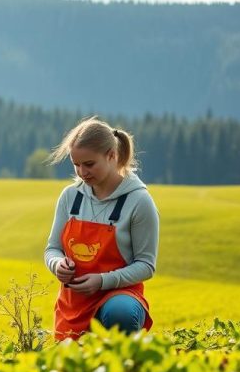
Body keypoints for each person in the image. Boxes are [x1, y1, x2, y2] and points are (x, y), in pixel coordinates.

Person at [44, 116, 159, 339]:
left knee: (121, 313)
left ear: (112, 156)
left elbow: (146, 265)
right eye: (76, 165)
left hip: (118, 296)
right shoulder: (70, 196)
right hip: (74, 303)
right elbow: (52, 249)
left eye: (89, 164)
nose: (81, 172)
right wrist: (57, 264)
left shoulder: (139, 202)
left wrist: (103, 281)